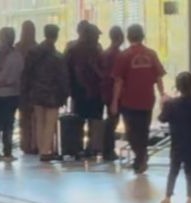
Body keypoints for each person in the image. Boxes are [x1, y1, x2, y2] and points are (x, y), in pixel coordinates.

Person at [111, 24, 165, 174]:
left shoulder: (124, 56)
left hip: (128, 101)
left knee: (132, 132)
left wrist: (114, 102)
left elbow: (119, 81)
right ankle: (141, 157)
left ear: (128, 37)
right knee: (143, 130)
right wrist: (163, 95)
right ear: (142, 36)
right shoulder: (151, 54)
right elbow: (159, 77)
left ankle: (141, 157)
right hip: (147, 99)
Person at [158, 72, 191, 203]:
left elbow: (162, 119)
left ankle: (167, 198)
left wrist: (163, 104)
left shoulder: (171, 104)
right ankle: (190, 201)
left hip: (177, 144)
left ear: (177, 86)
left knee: (173, 171)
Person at [22, 25, 70, 162]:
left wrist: (25, 92)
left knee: (39, 121)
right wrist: (65, 94)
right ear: (56, 36)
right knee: (50, 122)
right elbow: (63, 78)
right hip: (53, 94)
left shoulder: (33, 52)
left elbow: (26, 74)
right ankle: (45, 150)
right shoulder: (58, 57)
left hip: (36, 92)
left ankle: (40, 148)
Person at [65, 22, 105, 158]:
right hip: (91, 90)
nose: (98, 39)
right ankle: (93, 147)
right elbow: (78, 70)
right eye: (96, 36)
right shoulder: (94, 50)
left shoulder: (73, 48)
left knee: (79, 120)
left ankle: (78, 147)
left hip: (79, 91)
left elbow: (68, 70)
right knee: (94, 120)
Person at [0, 28, 25, 161]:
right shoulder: (17, 56)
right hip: (11, 94)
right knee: (8, 123)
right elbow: (19, 74)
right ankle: (7, 152)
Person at [100, 26, 124, 162]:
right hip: (115, 92)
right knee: (112, 121)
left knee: (110, 120)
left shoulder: (105, 53)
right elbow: (118, 77)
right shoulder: (117, 55)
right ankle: (108, 150)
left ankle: (107, 149)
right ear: (120, 38)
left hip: (105, 90)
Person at [16, 20, 38, 155]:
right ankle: (34, 144)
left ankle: (25, 144)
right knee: (35, 118)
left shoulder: (17, 47)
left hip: (20, 87)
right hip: (34, 87)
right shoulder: (36, 48)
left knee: (23, 118)